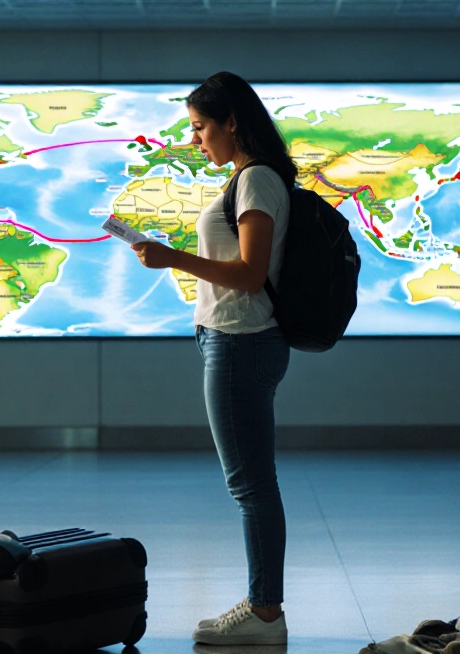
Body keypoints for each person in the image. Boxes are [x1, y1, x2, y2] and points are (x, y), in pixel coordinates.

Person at [130, 71, 295, 647]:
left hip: (239, 341)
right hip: (238, 341)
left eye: (201, 128)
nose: (196, 140)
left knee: (251, 486)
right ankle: (263, 603)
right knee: (254, 483)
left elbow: (251, 275)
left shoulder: (255, 182)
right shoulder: (250, 180)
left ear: (232, 122)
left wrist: (175, 258)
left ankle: (265, 613)